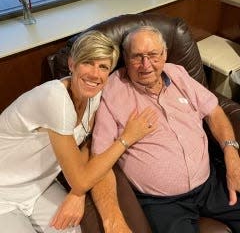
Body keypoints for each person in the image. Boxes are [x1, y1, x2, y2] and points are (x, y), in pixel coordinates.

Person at [0, 30, 158, 233]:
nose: (95, 74)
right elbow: (81, 179)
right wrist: (126, 139)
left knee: (72, 230)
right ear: (72, 64)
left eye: (103, 67)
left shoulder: (94, 97)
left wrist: (77, 192)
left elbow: (86, 145)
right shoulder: (54, 99)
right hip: (3, 192)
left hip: (40, 186)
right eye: (87, 62)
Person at [91, 25, 240, 233]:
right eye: (137, 57)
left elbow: (214, 111)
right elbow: (100, 160)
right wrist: (112, 218)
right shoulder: (112, 91)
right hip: (163, 204)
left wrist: (231, 153)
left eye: (153, 55)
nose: (146, 65)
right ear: (125, 57)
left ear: (165, 54)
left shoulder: (178, 73)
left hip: (210, 184)